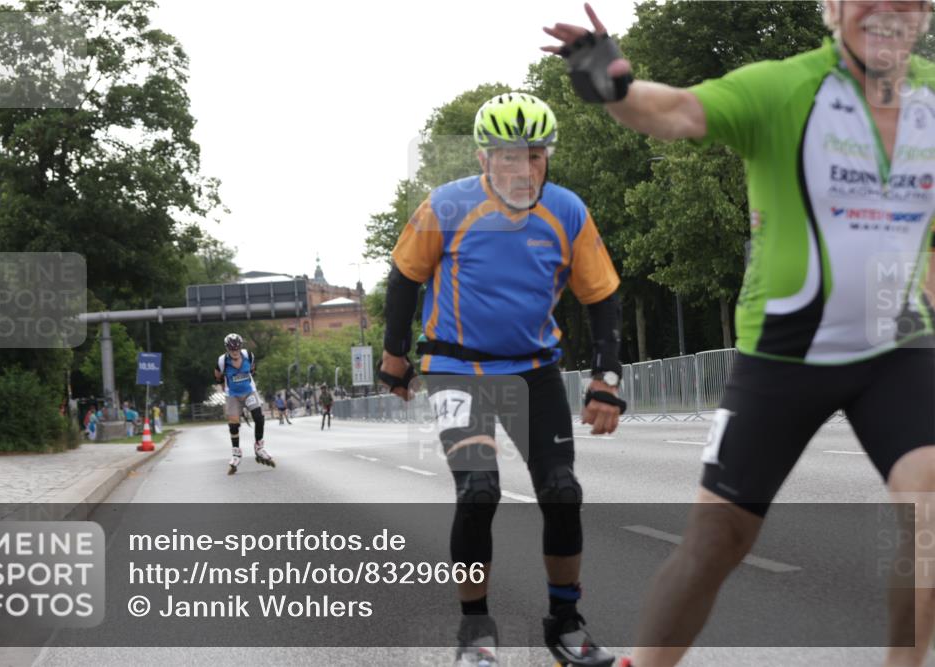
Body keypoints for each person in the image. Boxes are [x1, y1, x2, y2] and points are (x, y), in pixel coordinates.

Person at [543, 3, 935, 666]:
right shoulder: (785, 87)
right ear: (832, 7)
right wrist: (610, 84)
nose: (886, 10)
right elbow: (675, 111)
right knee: (716, 540)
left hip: (896, 345)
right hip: (786, 350)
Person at [379, 92, 626, 667]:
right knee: (478, 491)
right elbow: (403, 278)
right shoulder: (446, 205)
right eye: (509, 156)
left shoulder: (566, 211)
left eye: (535, 156)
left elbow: (604, 297)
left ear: (548, 156)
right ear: (483, 156)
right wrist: (394, 355)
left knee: (563, 493)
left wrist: (605, 377)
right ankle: (476, 634)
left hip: (535, 370)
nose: (524, 169)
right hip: (456, 371)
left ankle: (565, 623)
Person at [214, 333, 275, 474]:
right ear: (227, 349)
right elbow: (217, 376)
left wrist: (243, 380)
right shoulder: (222, 361)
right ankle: (236, 453)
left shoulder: (248, 355)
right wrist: (224, 385)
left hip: (248, 391)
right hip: (232, 395)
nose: (235, 352)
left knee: (259, 417)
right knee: (233, 424)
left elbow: (252, 370)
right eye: (231, 349)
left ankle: (259, 447)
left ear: (240, 347)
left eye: (237, 349)